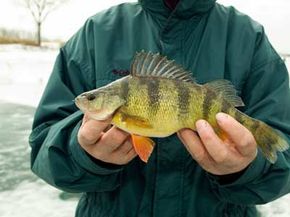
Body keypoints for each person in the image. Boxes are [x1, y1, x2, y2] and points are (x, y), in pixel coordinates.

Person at [29, 0, 290, 216]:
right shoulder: (95, 33)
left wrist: (247, 168)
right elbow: (43, 144)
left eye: (92, 99)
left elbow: (284, 158)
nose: (85, 101)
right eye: (92, 99)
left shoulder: (250, 39)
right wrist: (81, 152)